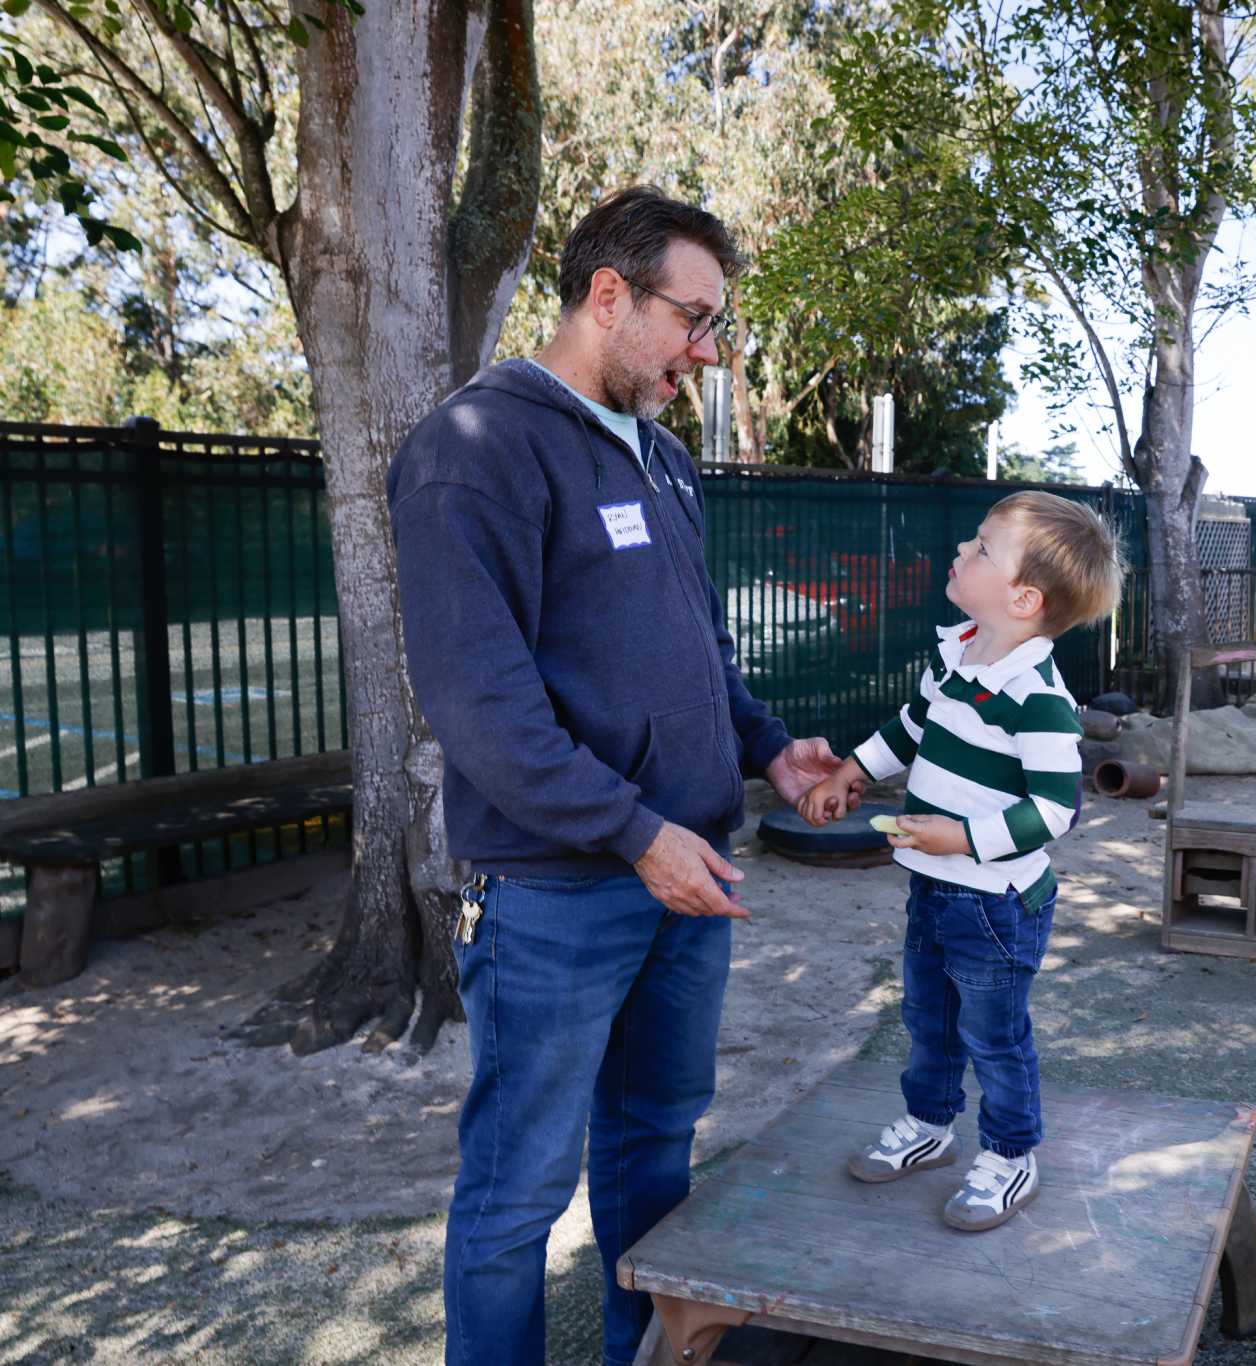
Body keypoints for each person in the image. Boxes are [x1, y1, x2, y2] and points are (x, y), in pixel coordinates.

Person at [386, 186, 846, 1366]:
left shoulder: (666, 458)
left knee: (654, 1151)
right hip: (553, 891)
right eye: (691, 318)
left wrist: (763, 745)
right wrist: (633, 833)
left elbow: (699, 648)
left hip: (682, 881)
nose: (704, 349)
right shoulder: (472, 449)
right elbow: (478, 708)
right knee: (516, 1196)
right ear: (606, 296)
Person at [798, 492, 1123, 1232]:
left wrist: (962, 838)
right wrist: (851, 770)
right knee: (927, 1018)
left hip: (997, 905)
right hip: (937, 889)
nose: (961, 554)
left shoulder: (1038, 699)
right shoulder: (961, 653)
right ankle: (930, 1126)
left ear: (1025, 596)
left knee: (994, 1037)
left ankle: (1011, 1157)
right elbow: (912, 727)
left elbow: (1054, 811)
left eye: (981, 550)